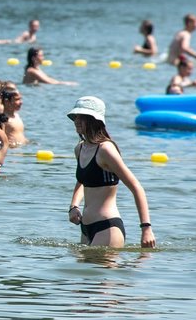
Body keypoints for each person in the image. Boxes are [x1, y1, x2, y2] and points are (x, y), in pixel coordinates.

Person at [66, 96, 155, 248]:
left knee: (100, 271)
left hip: (107, 228)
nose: (77, 121)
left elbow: (136, 187)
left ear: (96, 120)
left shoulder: (106, 149)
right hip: (86, 229)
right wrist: (74, 206)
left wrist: (146, 228)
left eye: (83, 117)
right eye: (76, 116)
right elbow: (82, 180)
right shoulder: (79, 148)